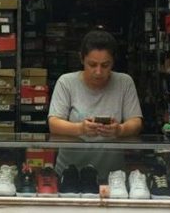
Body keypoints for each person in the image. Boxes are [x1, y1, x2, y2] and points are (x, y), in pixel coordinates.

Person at [48, 30, 143, 177]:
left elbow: (136, 122)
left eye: (105, 65)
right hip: (71, 174)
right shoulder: (66, 82)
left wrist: (120, 129)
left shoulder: (124, 82)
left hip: (113, 176)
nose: (98, 72)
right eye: (92, 64)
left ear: (113, 62)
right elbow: (54, 124)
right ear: (82, 59)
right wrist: (80, 128)